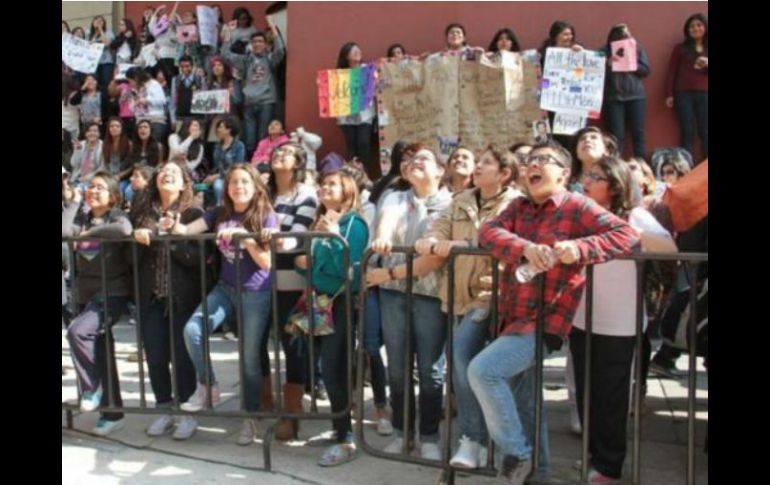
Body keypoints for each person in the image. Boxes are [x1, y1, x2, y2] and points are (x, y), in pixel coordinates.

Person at [470, 141, 639, 484]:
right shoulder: (518, 206)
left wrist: (579, 248)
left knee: (483, 371)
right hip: (511, 316)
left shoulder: (577, 205)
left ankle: (516, 453)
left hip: (546, 320)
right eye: (529, 160)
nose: (532, 165)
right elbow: (487, 232)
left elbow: (627, 234)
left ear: (563, 173)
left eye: (542, 160)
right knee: (527, 402)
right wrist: (525, 249)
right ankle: (539, 474)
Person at [171, 164, 277, 446]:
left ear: (255, 186)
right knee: (192, 330)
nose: (238, 187)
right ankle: (209, 384)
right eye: (233, 183)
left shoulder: (266, 215)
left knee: (249, 358)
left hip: (256, 291)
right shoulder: (218, 213)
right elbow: (187, 230)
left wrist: (246, 239)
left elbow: (267, 263)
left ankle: (249, 417)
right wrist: (172, 225)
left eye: (244, 182)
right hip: (225, 288)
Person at [130, 161, 207, 440]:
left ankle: (187, 411)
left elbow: (199, 260)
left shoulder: (193, 213)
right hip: (151, 295)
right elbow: (132, 257)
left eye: (174, 173)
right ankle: (164, 407)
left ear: (184, 182)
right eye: (163, 171)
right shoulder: (142, 211)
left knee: (182, 356)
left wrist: (173, 237)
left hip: (183, 295)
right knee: (155, 354)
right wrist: (137, 239)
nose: (167, 174)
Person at [63, 171, 133, 436]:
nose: (93, 191)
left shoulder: (116, 215)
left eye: (100, 188)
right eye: (90, 187)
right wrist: (73, 203)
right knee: (101, 352)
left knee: (77, 332)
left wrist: (90, 232)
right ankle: (112, 413)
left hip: (111, 293)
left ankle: (92, 388)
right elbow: (63, 230)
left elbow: (124, 230)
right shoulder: (81, 217)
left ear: (113, 195)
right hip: (84, 295)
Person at [665, 13, 708, 158]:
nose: (695, 28)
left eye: (699, 25)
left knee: (706, 131)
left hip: (705, 94)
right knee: (687, 131)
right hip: (683, 94)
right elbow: (671, 71)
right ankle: (687, 167)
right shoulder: (680, 48)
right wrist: (669, 94)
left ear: (705, 27)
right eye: (692, 26)